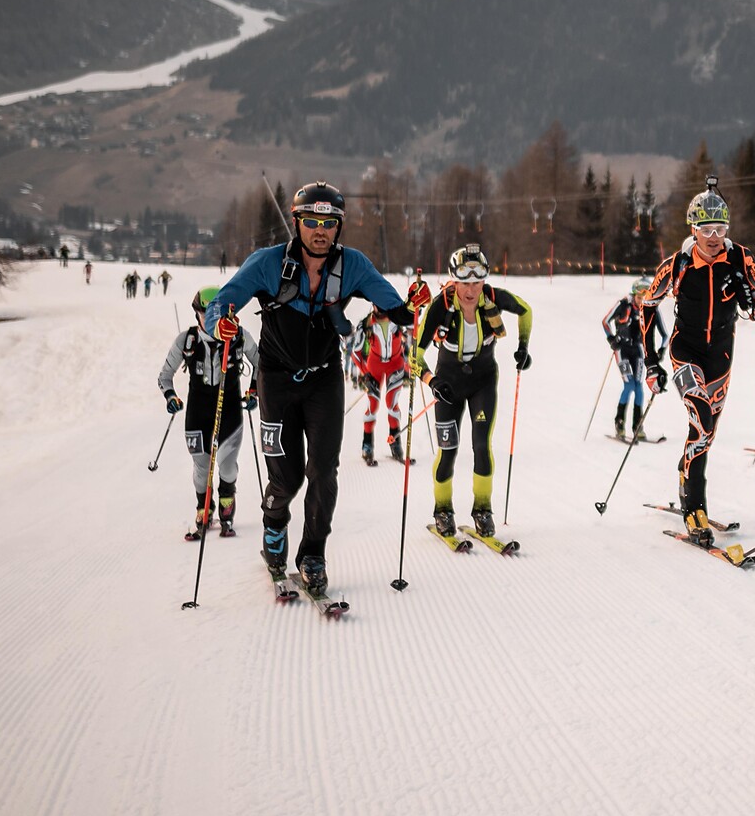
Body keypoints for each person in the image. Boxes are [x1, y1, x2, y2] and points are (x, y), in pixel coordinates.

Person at [204, 181, 415, 594]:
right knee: (286, 479)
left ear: (339, 227)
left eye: (329, 223)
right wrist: (220, 324)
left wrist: (417, 303)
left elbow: (396, 307)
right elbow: (221, 304)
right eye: (312, 222)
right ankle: (274, 528)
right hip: (276, 380)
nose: (320, 231)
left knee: (323, 471)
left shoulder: (352, 265)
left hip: (323, 380)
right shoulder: (267, 263)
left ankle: (313, 554)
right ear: (297, 222)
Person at [641, 176, 755, 546]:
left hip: (721, 359)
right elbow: (647, 306)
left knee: (706, 433)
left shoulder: (740, 258)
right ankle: (693, 503)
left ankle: (686, 473)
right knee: (702, 421)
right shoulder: (677, 264)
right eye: (705, 228)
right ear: (692, 229)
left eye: (721, 228)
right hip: (686, 353)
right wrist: (651, 361)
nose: (714, 237)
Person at [404, 243, 533, 544]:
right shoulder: (440, 306)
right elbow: (414, 356)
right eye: (465, 282)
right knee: (448, 450)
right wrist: (432, 381)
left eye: (477, 282)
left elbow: (526, 310)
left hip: (483, 382)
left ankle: (482, 510)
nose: (471, 289)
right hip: (448, 387)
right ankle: (443, 510)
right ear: (454, 281)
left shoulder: (492, 298)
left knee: (481, 445)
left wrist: (524, 347)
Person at [158, 285, 259, 538]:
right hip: (197, 411)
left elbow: (261, 364)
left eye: (217, 313)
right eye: (205, 314)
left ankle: (227, 505)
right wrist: (171, 396)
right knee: (201, 467)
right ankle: (204, 508)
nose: (211, 320)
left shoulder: (239, 336)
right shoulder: (187, 340)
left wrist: (254, 390)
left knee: (226, 466)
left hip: (230, 410)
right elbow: (164, 376)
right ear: (197, 314)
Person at [601, 275, 668, 441]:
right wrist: (611, 338)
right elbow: (605, 321)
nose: (641, 301)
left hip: (638, 350)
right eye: (639, 297)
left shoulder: (651, 309)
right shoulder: (623, 304)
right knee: (629, 384)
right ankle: (620, 423)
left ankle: (638, 425)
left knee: (639, 386)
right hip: (622, 349)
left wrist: (660, 351)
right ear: (634, 295)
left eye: (645, 298)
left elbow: (665, 334)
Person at [351, 305, 411, 464]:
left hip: (395, 364)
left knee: (392, 404)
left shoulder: (399, 319)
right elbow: (355, 352)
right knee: (373, 405)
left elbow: (415, 331)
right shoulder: (365, 324)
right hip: (374, 367)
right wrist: (365, 374)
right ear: (373, 304)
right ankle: (367, 445)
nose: (381, 306)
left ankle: (395, 444)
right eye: (378, 303)